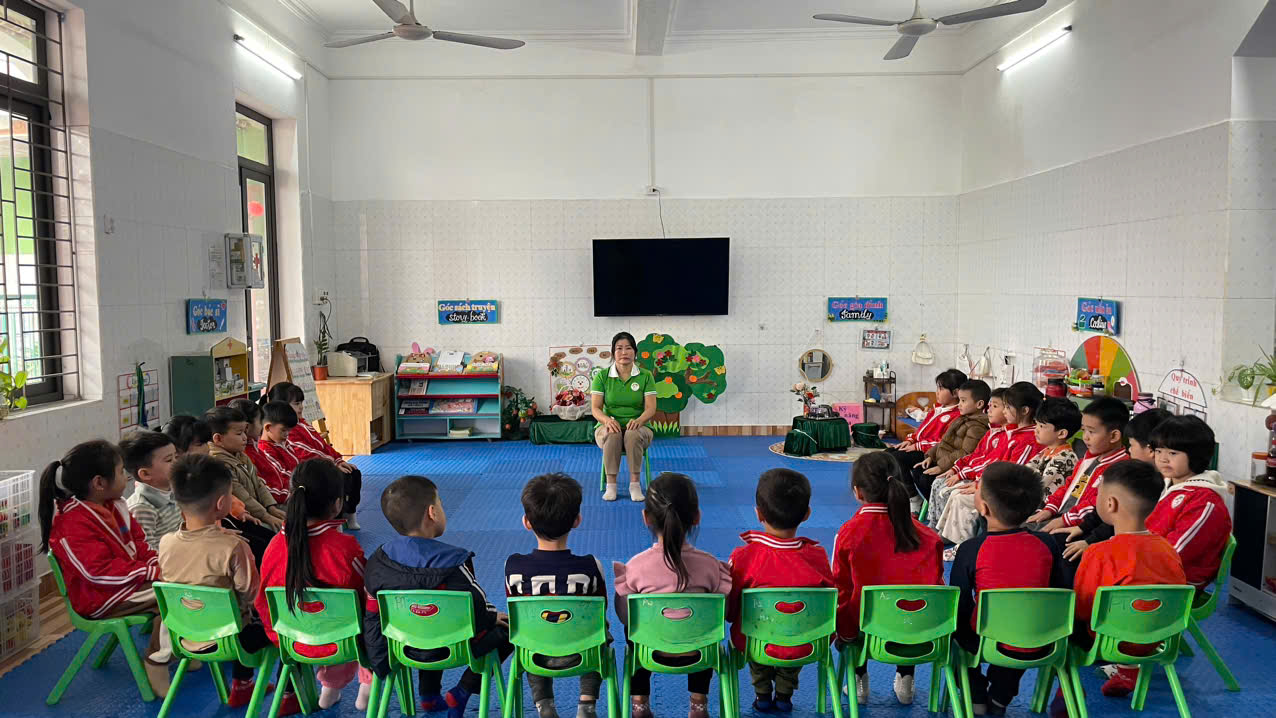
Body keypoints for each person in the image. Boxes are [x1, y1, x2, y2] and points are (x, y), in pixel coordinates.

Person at [364, 475, 512, 717]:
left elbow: (372, 616)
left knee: (424, 618)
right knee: (508, 628)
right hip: (454, 647)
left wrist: (379, 662)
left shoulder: (378, 562)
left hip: (403, 646)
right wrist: (492, 616)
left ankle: (429, 696)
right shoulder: (454, 562)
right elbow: (476, 606)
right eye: (441, 504)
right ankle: (463, 690)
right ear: (432, 513)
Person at [161, 455, 299, 713]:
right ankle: (291, 693)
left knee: (238, 614)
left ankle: (243, 685)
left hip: (185, 635)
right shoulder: (233, 546)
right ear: (222, 503)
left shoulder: (166, 542)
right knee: (288, 623)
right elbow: (254, 595)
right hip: (232, 639)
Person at [38, 440, 169, 696]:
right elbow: (97, 573)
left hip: (126, 584)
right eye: (120, 472)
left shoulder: (115, 504)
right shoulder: (72, 523)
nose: (127, 476)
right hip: (102, 597)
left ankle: (177, 647)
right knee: (173, 595)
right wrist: (152, 572)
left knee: (182, 583)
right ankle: (157, 660)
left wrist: (158, 564)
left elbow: (139, 543)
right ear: (99, 483)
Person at [950, 462, 1067, 716]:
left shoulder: (971, 550)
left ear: (983, 507)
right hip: (1041, 638)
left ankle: (975, 693)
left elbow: (959, 604)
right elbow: (1059, 590)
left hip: (987, 640)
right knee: (1022, 627)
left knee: (953, 631)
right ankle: (1001, 695)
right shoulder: (1047, 543)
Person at [256, 459, 373, 711]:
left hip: (290, 640)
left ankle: (329, 689)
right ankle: (367, 684)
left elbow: (262, 601)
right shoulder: (344, 548)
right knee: (371, 620)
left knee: (338, 622)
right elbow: (365, 594)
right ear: (338, 504)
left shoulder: (274, 546)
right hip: (344, 641)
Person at [1067, 461, 1187, 704]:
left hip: (1107, 642)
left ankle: (1064, 696)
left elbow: (1082, 610)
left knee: (1062, 625)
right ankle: (1128, 670)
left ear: (1111, 504)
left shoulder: (1098, 553)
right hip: (1159, 638)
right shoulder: (1168, 549)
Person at [614, 473, 731, 718]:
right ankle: (698, 704)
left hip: (649, 652)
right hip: (699, 654)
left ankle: (639, 703)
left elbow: (624, 617)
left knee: (634, 629)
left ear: (646, 518)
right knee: (707, 628)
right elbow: (725, 613)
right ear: (697, 517)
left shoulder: (635, 567)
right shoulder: (711, 566)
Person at [832, 452, 944, 706]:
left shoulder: (849, 533)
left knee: (854, 606)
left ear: (857, 492)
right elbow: (935, 585)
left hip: (864, 633)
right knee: (911, 602)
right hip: (920, 633)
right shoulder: (929, 536)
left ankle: (858, 678)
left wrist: (845, 634)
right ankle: (906, 677)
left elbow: (841, 590)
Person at [727, 468, 834, 713]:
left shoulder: (743, 557)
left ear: (758, 513)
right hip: (806, 642)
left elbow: (731, 611)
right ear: (807, 514)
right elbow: (829, 604)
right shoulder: (817, 556)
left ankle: (762, 693)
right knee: (797, 629)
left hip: (756, 640)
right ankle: (785, 694)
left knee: (754, 631)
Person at [505, 474, 606, 718]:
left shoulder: (513, 566)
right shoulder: (591, 566)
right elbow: (601, 610)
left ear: (526, 522)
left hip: (535, 655)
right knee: (600, 629)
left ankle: (544, 704)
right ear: (577, 520)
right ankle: (587, 703)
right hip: (583, 653)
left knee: (530, 630)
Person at [263, 382, 363, 530]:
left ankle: (348, 514)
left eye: (301, 403)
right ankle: (336, 520)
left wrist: (337, 460)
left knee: (353, 473)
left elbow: (321, 445)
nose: (301, 407)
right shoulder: (276, 441)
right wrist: (330, 464)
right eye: (296, 404)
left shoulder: (297, 426)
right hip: (302, 481)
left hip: (310, 473)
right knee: (334, 483)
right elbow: (303, 455)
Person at [1147, 416, 1231, 589]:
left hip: (1176, 583)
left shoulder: (1205, 501)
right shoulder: (1168, 484)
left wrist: (1130, 560)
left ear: (1196, 455)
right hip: (1153, 568)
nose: (1163, 459)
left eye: (1172, 453)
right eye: (1159, 451)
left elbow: (1175, 553)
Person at [1028, 398, 1130, 532]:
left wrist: (1065, 520)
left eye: (1091, 432)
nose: (1085, 437)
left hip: (1078, 528)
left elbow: (1096, 505)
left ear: (1114, 436)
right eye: (1084, 430)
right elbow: (1070, 488)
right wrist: (1050, 508)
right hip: (1061, 517)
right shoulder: (1088, 459)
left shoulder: (1120, 469)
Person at [928, 388, 1010, 544]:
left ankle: (959, 542)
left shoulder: (1004, 435)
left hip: (983, 481)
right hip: (970, 473)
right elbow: (974, 455)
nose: (989, 410)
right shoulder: (992, 431)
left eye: (995, 406)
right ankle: (938, 528)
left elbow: (993, 464)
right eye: (990, 406)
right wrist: (955, 468)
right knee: (938, 482)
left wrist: (965, 476)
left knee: (954, 494)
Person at [590, 331, 658, 502]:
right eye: (619, 348)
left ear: (635, 352)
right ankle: (611, 485)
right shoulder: (602, 376)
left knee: (633, 434)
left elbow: (651, 408)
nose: (624, 352)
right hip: (607, 426)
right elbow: (595, 408)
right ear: (613, 353)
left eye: (628, 348)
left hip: (640, 428)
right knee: (612, 433)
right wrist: (606, 421)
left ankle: (635, 485)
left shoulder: (646, 376)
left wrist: (639, 421)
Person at [887, 368, 966, 512]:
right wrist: (911, 440)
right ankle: (897, 495)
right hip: (922, 447)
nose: (937, 392)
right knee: (887, 454)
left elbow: (944, 442)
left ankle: (913, 498)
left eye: (941, 389)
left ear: (955, 393)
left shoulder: (957, 415)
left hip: (933, 453)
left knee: (897, 458)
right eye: (937, 388)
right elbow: (921, 431)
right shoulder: (937, 409)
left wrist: (918, 446)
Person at [207, 406, 285, 532]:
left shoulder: (240, 455)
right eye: (239, 433)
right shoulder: (218, 463)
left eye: (245, 431)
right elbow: (241, 494)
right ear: (218, 439)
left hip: (260, 511)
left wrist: (271, 506)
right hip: (243, 518)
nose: (245, 437)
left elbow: (258, 483)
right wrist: (266, 516)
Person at [912, 379, 991, 499]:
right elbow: (945, 440)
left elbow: (966, 453)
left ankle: (935, 507)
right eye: (959, 400)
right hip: (943, 459)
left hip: (953, 465)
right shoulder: (961, 418)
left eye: (963, 401)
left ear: (979, 404)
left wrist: (941, 467)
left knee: (926, 479)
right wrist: (931, 456)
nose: (959, 404)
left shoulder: (977, 427)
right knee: (918, 470)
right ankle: (928, 503)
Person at [121, 430, 181, 552]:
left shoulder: (172, 492)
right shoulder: (141, 508)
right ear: (145, 474)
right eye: (169, 460)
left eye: (176, 457)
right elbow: (147, 551)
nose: (177, 463)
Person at [230, 399, 289, 504]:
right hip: (276, 501)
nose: (262, 426)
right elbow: (262, 489)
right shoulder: (245, 454)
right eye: (260, 422)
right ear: (247, 427)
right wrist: (288, 494)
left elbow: (277, 473)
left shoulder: (253, 447)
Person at [1027, 398, 1082, 499]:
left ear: (1061, 433)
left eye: (1041, 426)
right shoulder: (1048, 451)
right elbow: (1026, 470)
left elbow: (1041, 488)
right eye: (1036, 423)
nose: (1036, 430)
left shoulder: (1064, 458)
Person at [257, 400, 302, 502]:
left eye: (289, 430)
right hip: (289, 495)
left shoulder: (283, 443)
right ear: (268, 427)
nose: (287, 434)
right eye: (283, 430)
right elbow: (283, 477)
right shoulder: (265, 450)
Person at [998, 382, 1045, 466]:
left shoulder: (1028, 440)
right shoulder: (1014, 432)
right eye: (1004, 406)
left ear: (1024, 410)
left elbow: (1014, 470)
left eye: (1008, 407)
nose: (1003, 411)